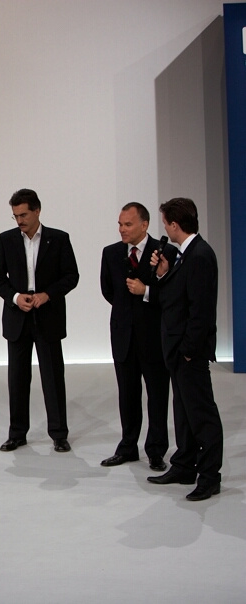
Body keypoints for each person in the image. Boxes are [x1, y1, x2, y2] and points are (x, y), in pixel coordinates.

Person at [146, 197, 224, 501]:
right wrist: (163, 274)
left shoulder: (200, 256)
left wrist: (190, 350)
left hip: (189, 352)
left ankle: (209, 476)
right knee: (184, 413)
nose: (164, 229)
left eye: (165, 223)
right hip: (178, 350)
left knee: (202, 415)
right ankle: (184, 466)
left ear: (175, 225)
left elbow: (201, 310)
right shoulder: (184, 255)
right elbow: (175, 298)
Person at [0, 189, 79, 452]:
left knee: (53, 378)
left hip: (48, 316)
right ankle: (17, 434)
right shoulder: (5, 240)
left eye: (23, 214)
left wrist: (47, 295)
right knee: (17, 379)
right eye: (15, 215)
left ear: (37, 211)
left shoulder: (59, 239)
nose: (19, 220)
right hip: (18, 317)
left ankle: (59, 434)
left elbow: (71, 276)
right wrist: (16, 297)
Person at [99, 202, 169, 471]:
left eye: (128, 224)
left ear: (144, 225)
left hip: (154, 338)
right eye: (120, 224)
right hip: (123, 336)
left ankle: (156, 450)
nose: (122, 229)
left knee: (157, 395)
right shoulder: (111, 253)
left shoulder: (164, 252)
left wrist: (146, 291)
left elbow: (172, 293)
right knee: (127, 395)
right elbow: (108, 291)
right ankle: (128, 447)